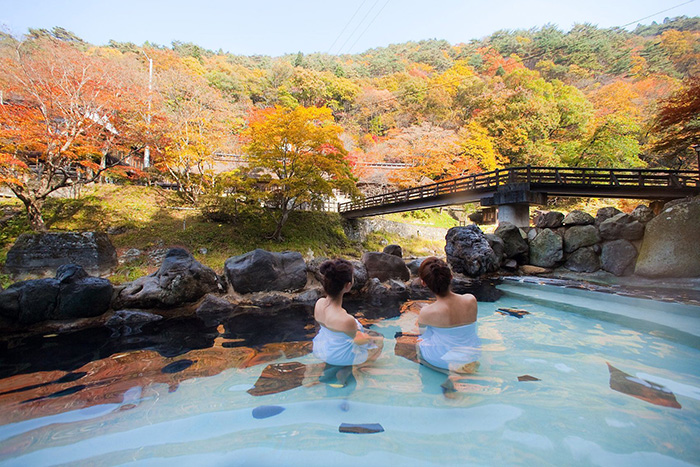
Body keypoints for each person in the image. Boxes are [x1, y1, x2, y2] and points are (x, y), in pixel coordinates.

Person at [313, 259, 382, 370]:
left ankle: (329, 371)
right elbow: (360, 342)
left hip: (321, 349)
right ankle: (350, 373)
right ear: (348, 285)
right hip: (340, 358)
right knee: (379, 340)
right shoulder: (345, 319)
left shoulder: (319, 303)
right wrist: (372, 339)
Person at [416, 257, 481, 374]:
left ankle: (444, 372)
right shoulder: (471, 300)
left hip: (442, 360)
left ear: (424, 283)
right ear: (451, 277)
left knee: (419, 342)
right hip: (472, 354)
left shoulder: (427, 312)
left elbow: (425, 336)